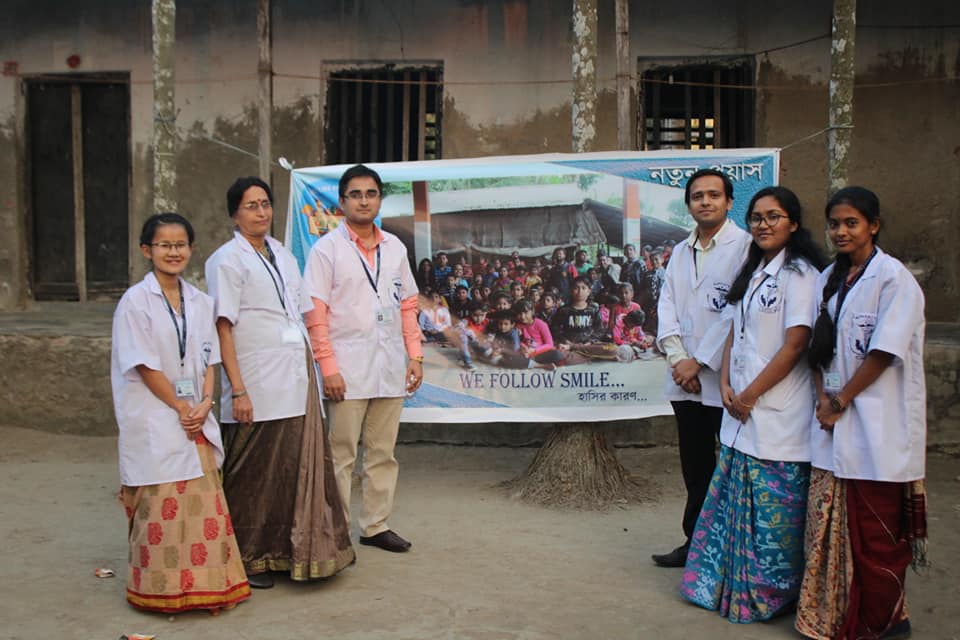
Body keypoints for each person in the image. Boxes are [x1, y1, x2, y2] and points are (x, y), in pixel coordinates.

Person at [679, 186, 826, 622]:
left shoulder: (801, 275)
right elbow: (734, 331)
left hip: (777, 413)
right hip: (740, 409)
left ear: (793, 223)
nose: (764, 225)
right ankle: (731, 589)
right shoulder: (754, 269)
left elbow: (795, 345)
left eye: (773, 216)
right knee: (732, 507)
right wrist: (726, 383)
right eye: (757, 217)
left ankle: (770, 596)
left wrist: (750, 393)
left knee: (773, 517)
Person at [206, 177, 354, 589]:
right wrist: (238, 389)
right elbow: (222, 327)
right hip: (255, 378)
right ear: (234, 214)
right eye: (251, 205)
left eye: (266, 204)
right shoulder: (226, 260)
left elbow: (301, 312)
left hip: (294, 373)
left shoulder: (284, 255)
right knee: (251, 471)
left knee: (291, 470)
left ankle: (288, 552)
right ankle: (245, 557)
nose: (261, 212)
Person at [796, 187, 927, 640]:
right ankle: (837, 617)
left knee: (876, 533)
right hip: (832, 420)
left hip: (878, 425)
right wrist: (823, 398)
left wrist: (840, 401)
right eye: (834, 223)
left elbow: (883, 352)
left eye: (851, 223)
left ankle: (885, 623)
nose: (841, 231)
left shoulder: (894, 280)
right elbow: (819, 350)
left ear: (874, 225)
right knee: (829, 530)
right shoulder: (828, 278)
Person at [112, 213, 251, 613]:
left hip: (195, 418)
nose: (173, 252)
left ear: (191, 249)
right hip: (155, 415)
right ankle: (160, 592)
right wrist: (180, 406)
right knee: (161, 507)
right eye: (164, 245)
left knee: (203, 507)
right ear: (147, 250)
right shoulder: (135, 303)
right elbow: (143, 365)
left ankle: (209, 589)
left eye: (180, 245)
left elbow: (209, 360)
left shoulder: (201, 302)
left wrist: (205, 403)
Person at [303, 164, 423, 554]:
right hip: (346, 369)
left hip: (389, 366)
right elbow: (315, 316)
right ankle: (335, 533)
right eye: (355, 194)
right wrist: (328, 368)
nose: (364, 201)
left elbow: (408, 305)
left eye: (371, 194)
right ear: (341, 202)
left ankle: (375, 526)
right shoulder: (326, 250)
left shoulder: (395, 247)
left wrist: (415, 356)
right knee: (341, 455)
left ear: (379, 200)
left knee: (383, 453)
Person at [652, 168, 752, 568]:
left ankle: (730, 550)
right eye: (697, 196)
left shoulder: (745, 248)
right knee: (695, 466)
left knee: (730, 465)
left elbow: (736, 312)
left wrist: (700, 362)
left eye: (713, 195)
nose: (705, 202)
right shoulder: (680, 251)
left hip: (722, 378)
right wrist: (679, 360)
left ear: (729, 202)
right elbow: (667, 305)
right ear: (689, 205)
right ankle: (695, 543)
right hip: (684, 379)